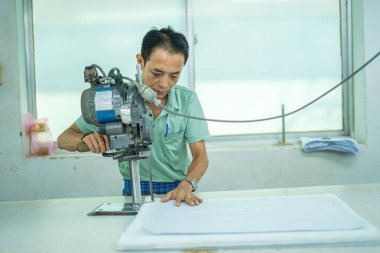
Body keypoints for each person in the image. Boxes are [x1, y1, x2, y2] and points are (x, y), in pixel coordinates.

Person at [57, 26, 210, 206]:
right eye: (157, 73)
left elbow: (201, 157)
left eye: (174, 76)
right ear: (141, 61)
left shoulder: (187, 101)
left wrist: (188, 184)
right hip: (134, 189)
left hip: (178, 190)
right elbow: (63, 139)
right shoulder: (117, 98)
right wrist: (85, 138)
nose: (164, 84)